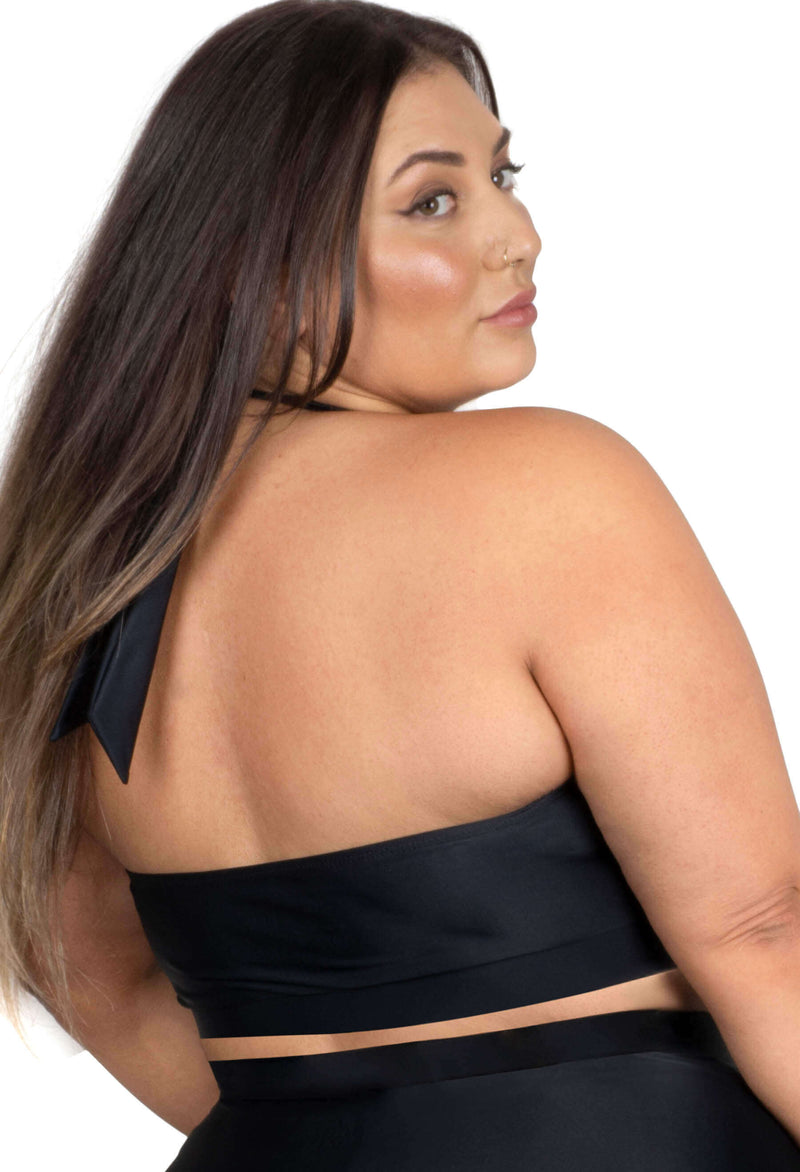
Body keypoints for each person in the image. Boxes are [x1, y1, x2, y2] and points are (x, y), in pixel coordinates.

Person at [1, 1, 799, 1167]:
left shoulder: (84, 565)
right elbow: (760, 929)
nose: (517, 235)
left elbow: (91, 971)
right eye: (432, 199)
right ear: (260, 263)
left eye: (502, 176)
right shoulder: (546, 483)